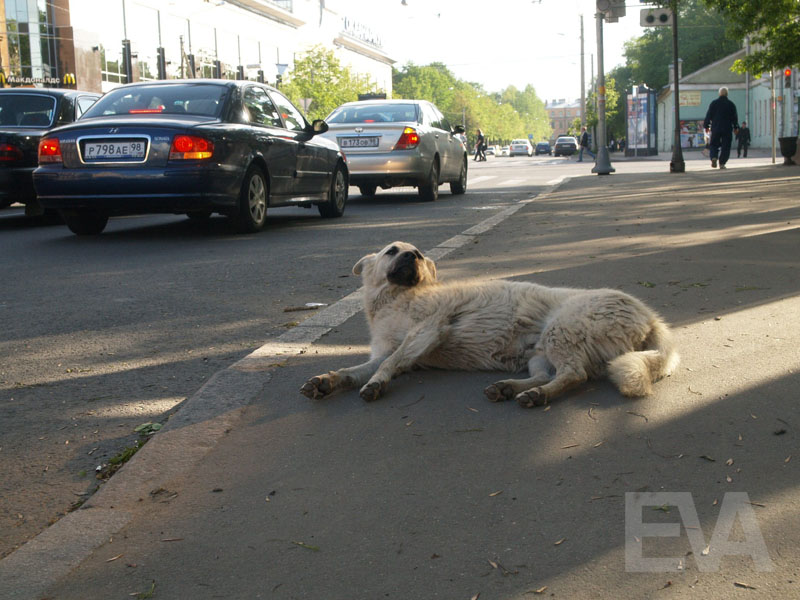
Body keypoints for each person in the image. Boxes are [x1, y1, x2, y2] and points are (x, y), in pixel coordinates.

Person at [703, 87, 739, 169]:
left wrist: (706, 126)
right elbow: (734, 118)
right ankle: (722, 163)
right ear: (727, 94)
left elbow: (709, 115)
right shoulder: (731, 104)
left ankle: (714, 157)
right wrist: (736, 127)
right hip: (727, 128)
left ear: (719, 94)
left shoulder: (714, 103)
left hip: (716, 128)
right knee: (726, 146)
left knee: (714, 144)